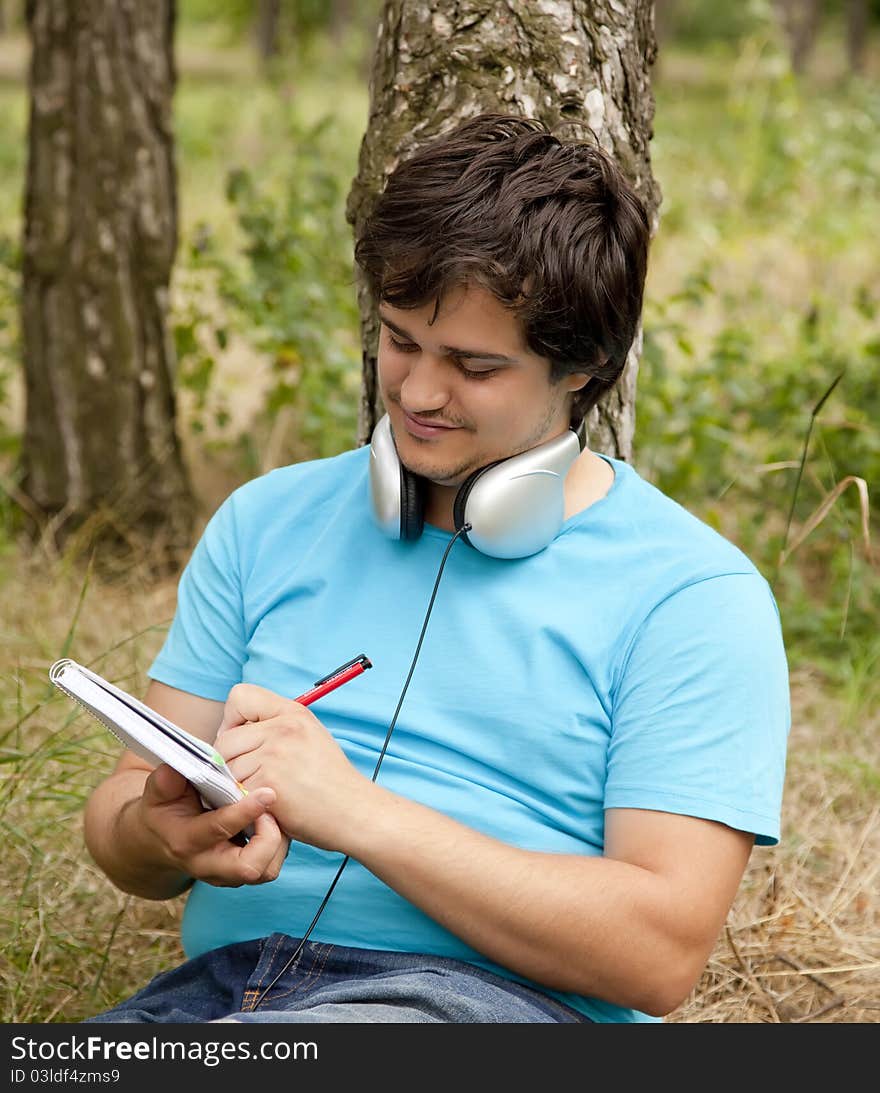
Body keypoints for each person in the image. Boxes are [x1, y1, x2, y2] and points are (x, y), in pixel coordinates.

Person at [82, 113, 790, 1024]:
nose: (417, 392)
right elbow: (115, 822)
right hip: (222, 994)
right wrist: (158, 828)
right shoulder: (267, 519)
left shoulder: (695, 597)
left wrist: (356, 813)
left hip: (489, 1007)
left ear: (586, 366)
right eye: (401, 341)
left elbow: (657, 955)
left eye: (473, 365)